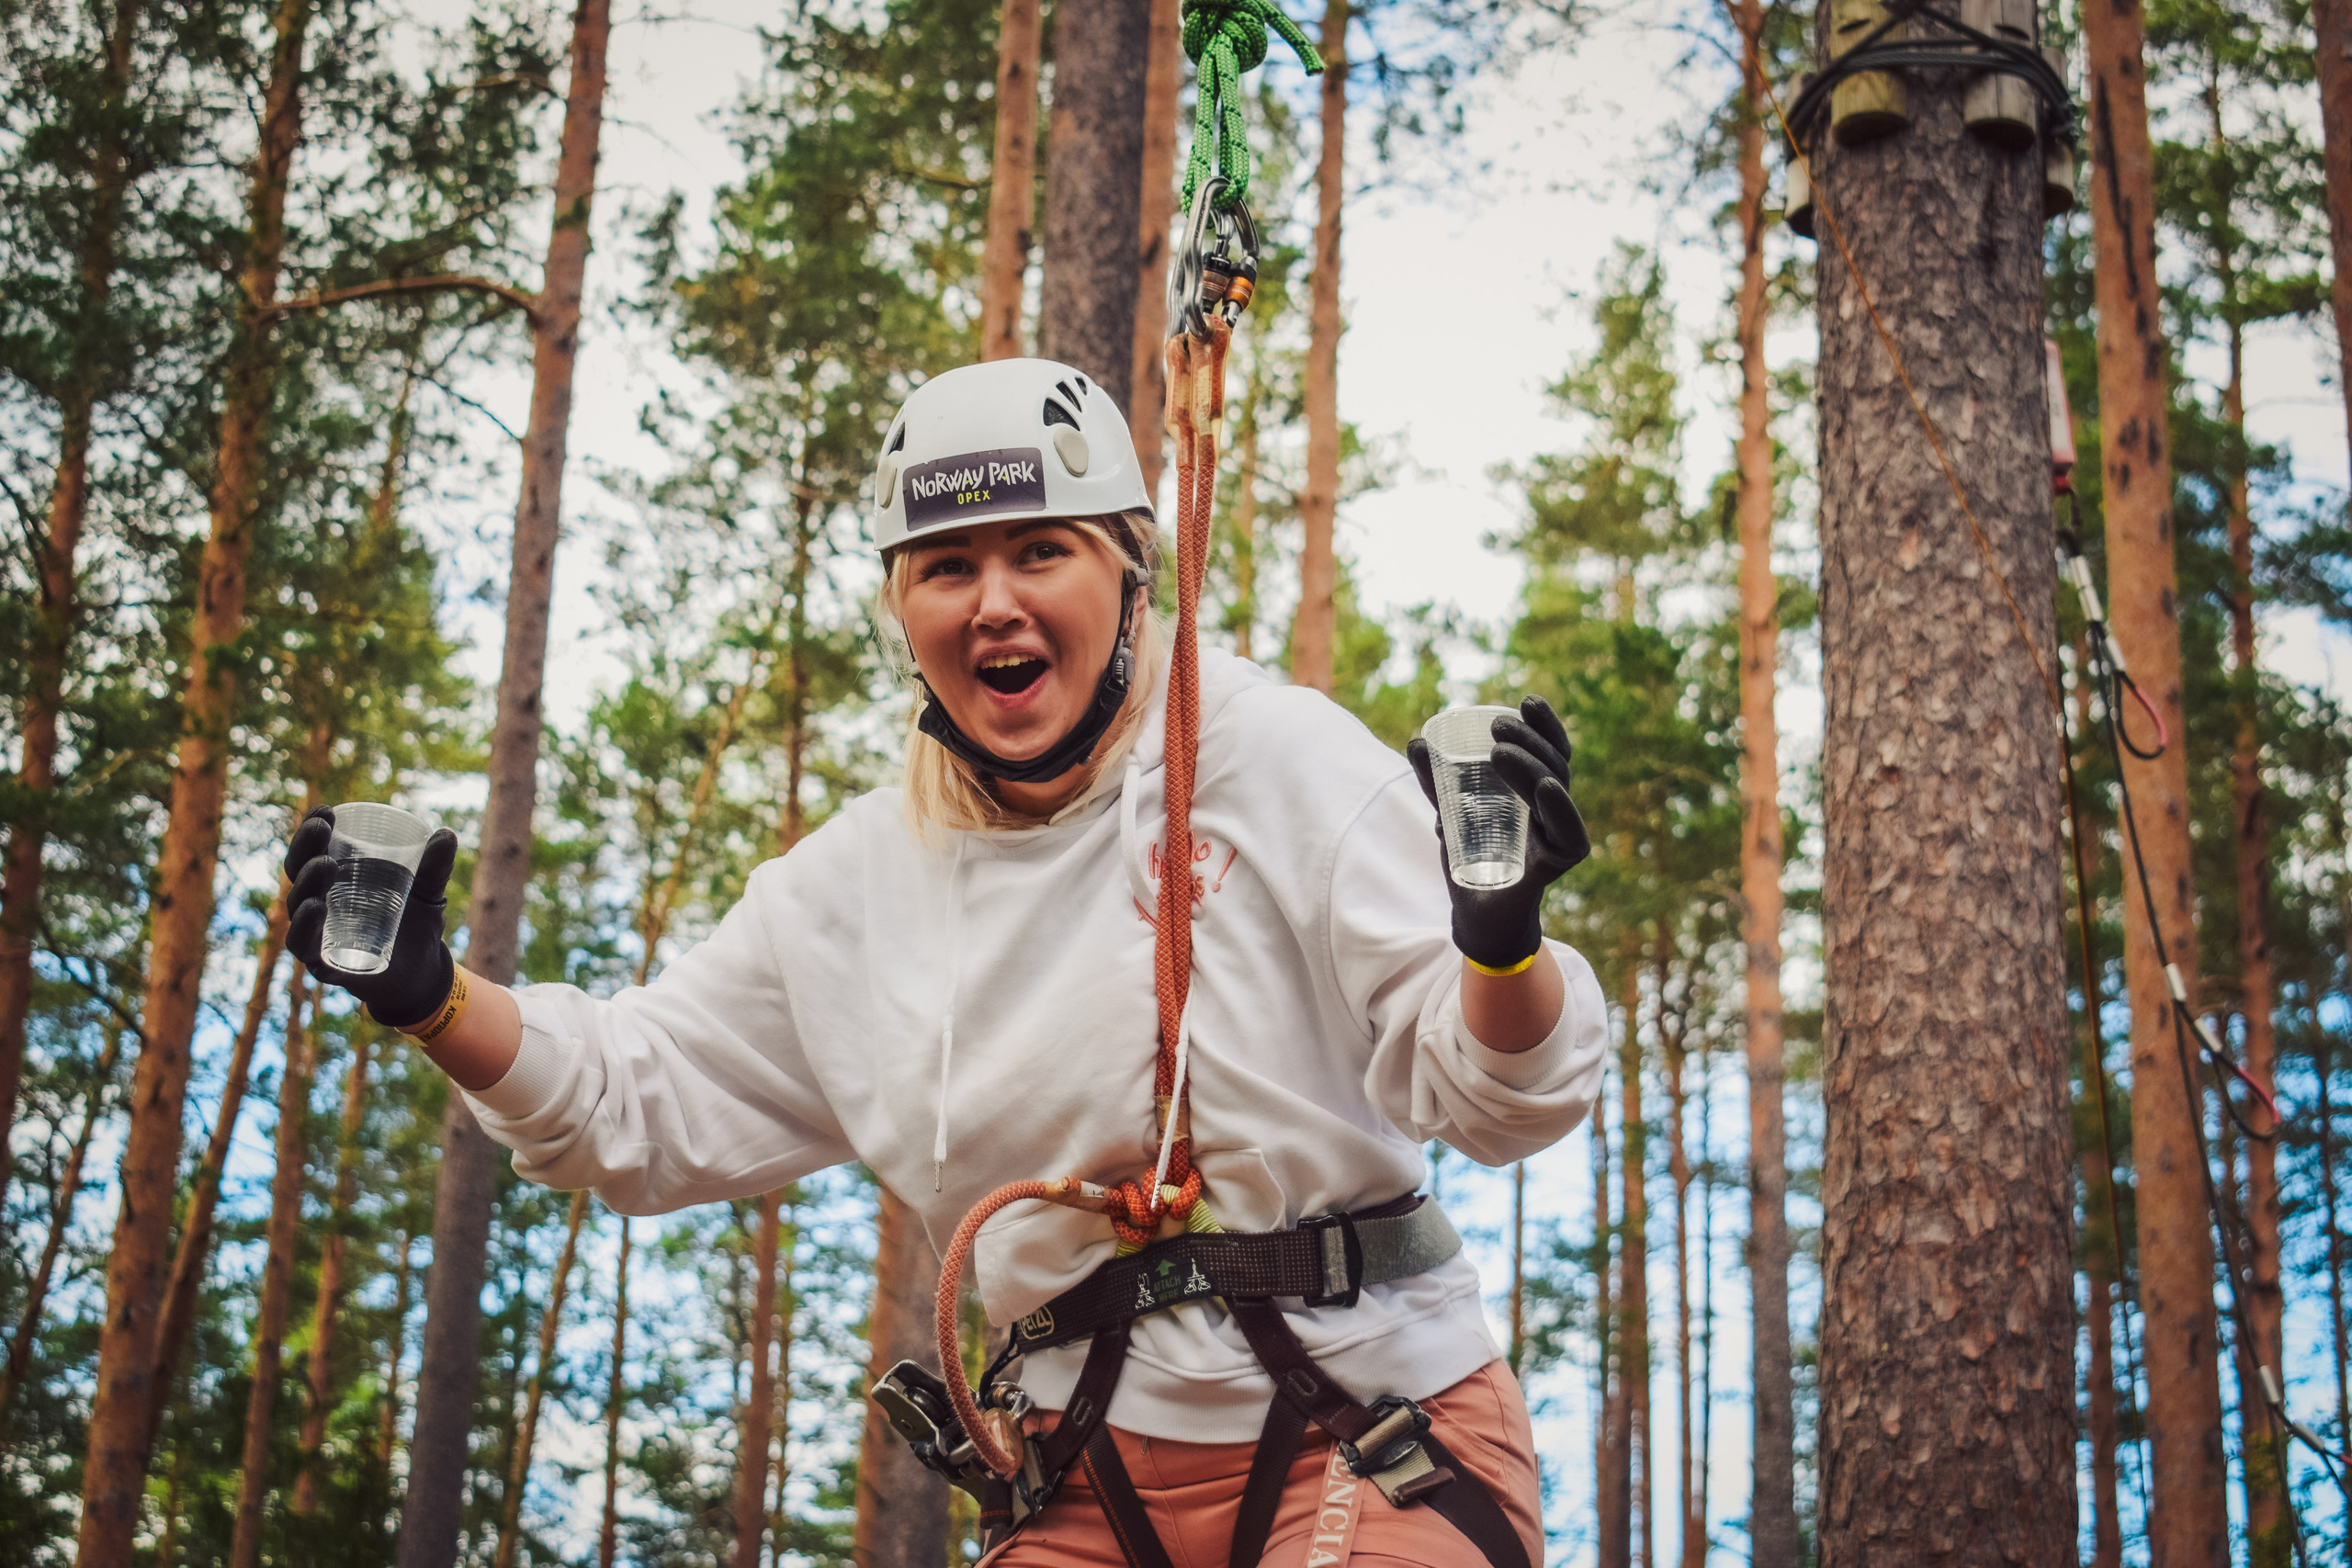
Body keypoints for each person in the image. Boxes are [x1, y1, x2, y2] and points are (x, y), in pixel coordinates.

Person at [283, 357, 1606, 1567]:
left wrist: (1499, 945)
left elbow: (1505, 1101)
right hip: (1081, 1486)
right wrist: (430, 997)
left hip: (1368, 1431)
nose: (997, 603)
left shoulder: (1280, 763)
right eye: (946, 566)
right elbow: (634, 1101)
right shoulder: (856, 892)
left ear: (1134, 578)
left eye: (1043, 551)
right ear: (901, 610)